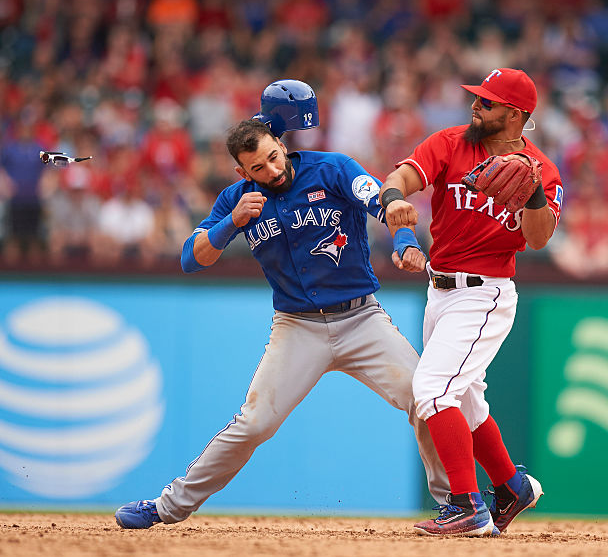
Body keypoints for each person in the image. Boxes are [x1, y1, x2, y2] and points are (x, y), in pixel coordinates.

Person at [113, 80, 448, 529]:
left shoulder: (331, 169)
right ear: (242, 172)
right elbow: (191, 259)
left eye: (273, 156)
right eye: (257, 167)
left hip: (361, 318)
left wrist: (405, 240)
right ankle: (167, 507)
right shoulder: (236, 201)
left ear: (280, 144)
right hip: (297, 327)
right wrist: (230, 223)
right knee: (254, 424)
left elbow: (382, 202)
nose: (272, 170)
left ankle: (455, 504)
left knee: (425, 398)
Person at [380, 68, 564, 536]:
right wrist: (397, 201)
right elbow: (400, 177)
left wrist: (535, 192)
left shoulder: (543, 168)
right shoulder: (450, 142)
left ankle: (466, 504)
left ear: (516, 114)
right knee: (464, 401)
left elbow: (539, 240)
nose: (476, 107)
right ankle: (510, 486)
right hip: (438, 289)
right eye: (477, 99)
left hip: (485, 294)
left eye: (488, 102)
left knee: (433, 389)